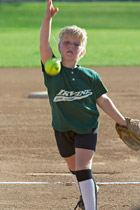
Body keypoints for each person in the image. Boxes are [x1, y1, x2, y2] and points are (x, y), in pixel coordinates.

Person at [40, 0, 127, 209]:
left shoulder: (90, 76)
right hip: (62, 129)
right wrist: (48, 18)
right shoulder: (53, 71)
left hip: (87, 128)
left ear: (83, 52)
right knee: (75, 169)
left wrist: (122, 121)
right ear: (59, 47)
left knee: (83, 168)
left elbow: (103, 100)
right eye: (67, 42)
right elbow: (43, 44)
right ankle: (91, 189)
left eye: (77, 44)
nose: (71, 46)